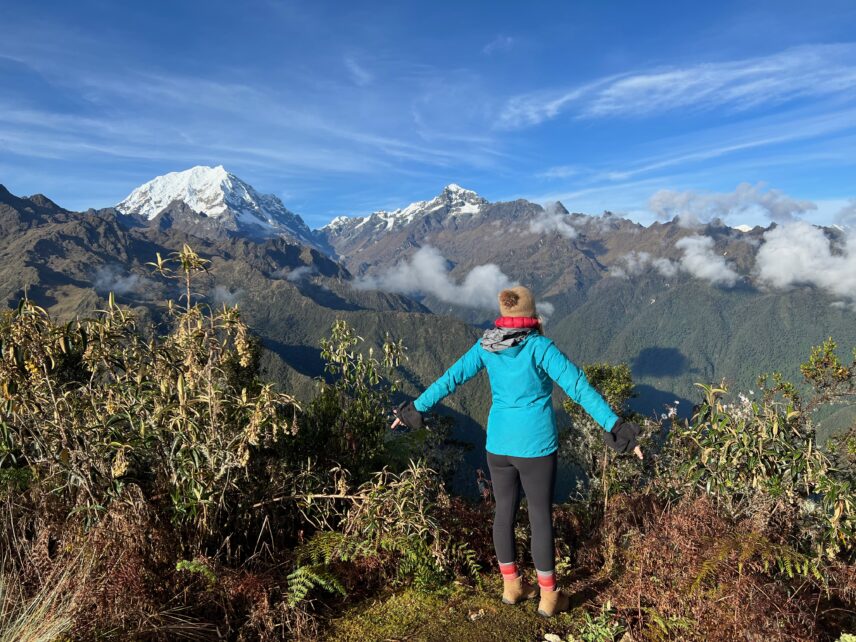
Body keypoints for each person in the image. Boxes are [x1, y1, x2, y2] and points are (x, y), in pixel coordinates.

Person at [391, 286, 642, 617]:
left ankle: (512, 586)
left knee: (504, 512)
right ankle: (549, 597)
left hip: (498, 445)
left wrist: (413, 411)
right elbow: (578, 387)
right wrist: (617, 428)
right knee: (539, 518)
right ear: (532, 314)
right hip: (535, 445)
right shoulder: (539, 347)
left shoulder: (486, 346)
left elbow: (450, 379)